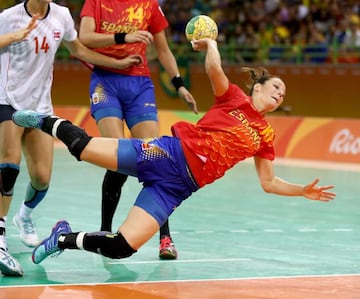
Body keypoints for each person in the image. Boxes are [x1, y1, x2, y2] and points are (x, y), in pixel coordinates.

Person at [12, 37, 336, 266]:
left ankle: (62, 239)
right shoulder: (234, 99)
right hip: (167, 154)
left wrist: (301, 191)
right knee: (83, 149)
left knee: (123, 247)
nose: (280, 93)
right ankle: (45, 120)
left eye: (284, 92)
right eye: (276, 86)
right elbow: (214, 72)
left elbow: (269, 182)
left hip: (177, 188)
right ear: (258, 88)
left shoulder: (266, 135)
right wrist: (211, 45)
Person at [0, 0, 144, 277]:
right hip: (7, 100)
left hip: (40, 107)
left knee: (42, 179)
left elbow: (78, 49)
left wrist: (118, 62)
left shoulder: (62, 16)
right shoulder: (9, 17)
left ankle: (24, 216)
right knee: (8, 167)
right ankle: (1, 238)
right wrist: (14, 37)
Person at [77, 0, 198, 260]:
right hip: (105, 82)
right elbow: (85, 37)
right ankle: (105, 231)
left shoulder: (150, 5)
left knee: (156, 158)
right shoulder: (96, 2)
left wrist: (179, 84)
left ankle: (165, 237)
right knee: (117, 154)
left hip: (139, 84)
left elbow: (163, 51)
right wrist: (125, 36)